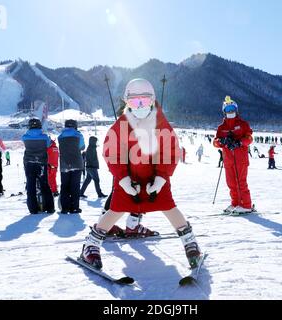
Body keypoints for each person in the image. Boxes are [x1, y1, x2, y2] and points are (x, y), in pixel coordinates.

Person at [80, 78, 202, 270]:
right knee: (117, 209)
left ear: (152, 100)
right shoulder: (121, 125)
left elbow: (169, 151)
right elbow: (112, 152)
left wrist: (161, 178)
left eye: (143, 101)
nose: (139, 106)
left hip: (156, 179)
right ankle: (91, 245)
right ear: (126, 102)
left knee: (168, 206)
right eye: (133, 102)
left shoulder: (161, 123)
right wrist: (123, 179)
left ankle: (190, 242)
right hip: (129, 180)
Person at [213, 96, 254, 214]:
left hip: (240, 159)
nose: (230, 111)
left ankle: (246, 205)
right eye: (227, 109)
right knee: (231, 183)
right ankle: (235, 203)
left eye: (232, 109)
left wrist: (239, 142)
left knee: (241, 182)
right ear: (224, 111)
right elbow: (215, 142)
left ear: (236, 110)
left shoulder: (243, 124)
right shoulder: (221, 128)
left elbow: (249, 138)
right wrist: (222, 142)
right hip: (228, 160)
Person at [22, 118, 55, 214]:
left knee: (30, 186)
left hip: (29, 163)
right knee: (45, 185)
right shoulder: (44, 137)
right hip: (41, 163)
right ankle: (50, 208)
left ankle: (33, 209)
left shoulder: (25, 137)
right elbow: (49, 144)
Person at [58, 119, 85, 214]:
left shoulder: (60, 136)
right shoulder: (79, 135)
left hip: (64, 164)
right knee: (75, 186)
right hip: (77, 163)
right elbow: (82, 147)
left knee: (64, 186)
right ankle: (75, 207)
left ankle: (65, 208)